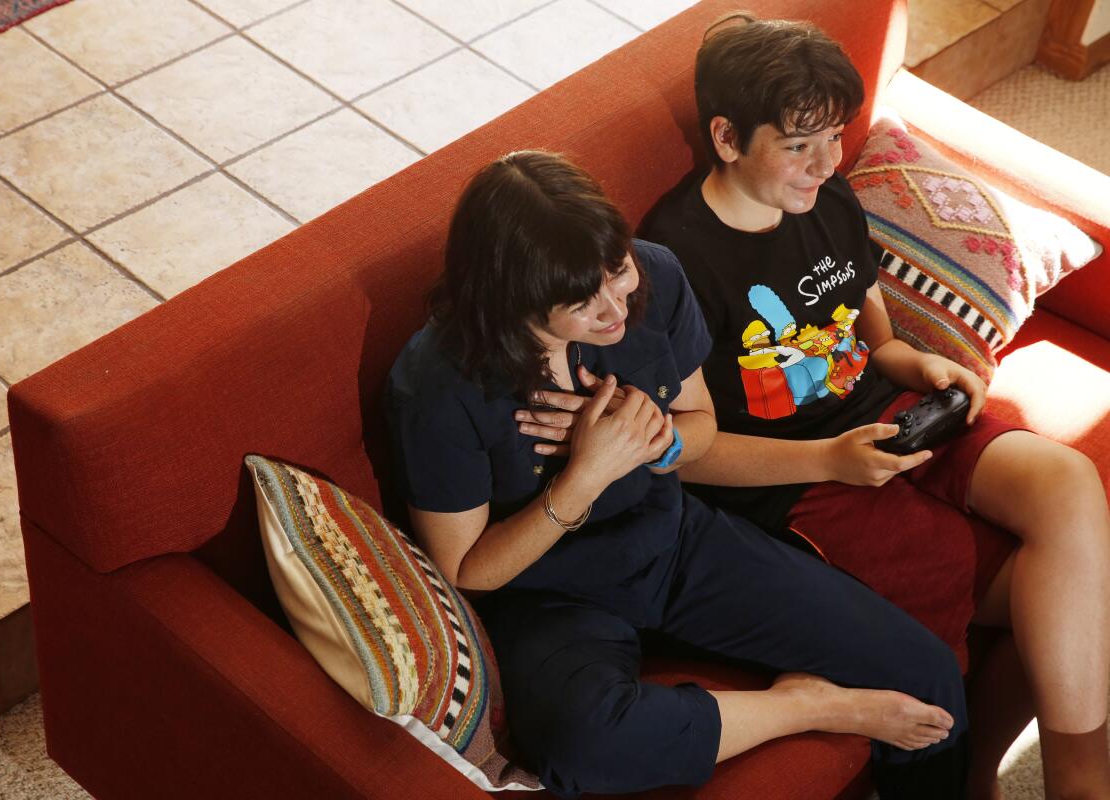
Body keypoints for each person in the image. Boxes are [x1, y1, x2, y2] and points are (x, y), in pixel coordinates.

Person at [386, 150, 970, 799]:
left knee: (928, 673)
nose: (614, 308)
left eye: (617, 272)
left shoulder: (655, 274)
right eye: (582, 302)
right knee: (588, 742)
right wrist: (584, 474)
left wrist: (650, 438)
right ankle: (808, 704)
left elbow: (701, 426)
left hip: (671, 538)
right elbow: (465, 569)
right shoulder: (440, 383)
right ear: (510, 300)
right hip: (547, 596)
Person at [629, 14, 1110, 800]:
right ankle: (992, 779)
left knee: (1069, 490)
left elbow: (862, 310)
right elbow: (687, 451)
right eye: (798, 145)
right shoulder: (673, 261)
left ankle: (1077, 781)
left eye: (836, 136)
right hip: (796, 479)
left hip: (890, 412)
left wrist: (910, 358)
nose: (825, 164)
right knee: (1052, 585)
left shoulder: (828, 198)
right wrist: (830, 460)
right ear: (726, 137)